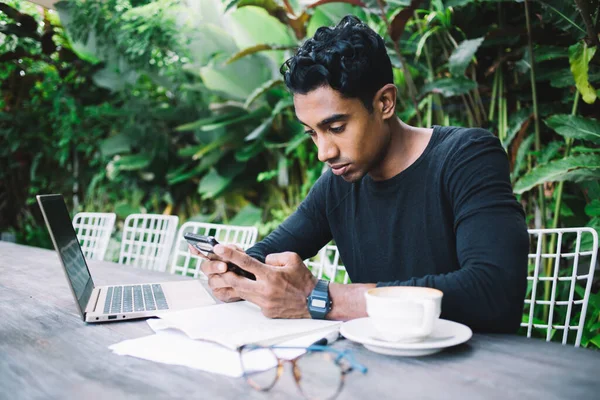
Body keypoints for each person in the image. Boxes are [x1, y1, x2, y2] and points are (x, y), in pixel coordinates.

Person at [189, 15, 529, 333]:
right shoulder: (337, 185)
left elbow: (494, 290)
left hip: (477, 369)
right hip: (377, 367)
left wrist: (320, 298)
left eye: (335, 127)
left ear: (384, 103)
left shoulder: (467, 157)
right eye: (312, 133)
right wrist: (235, 272)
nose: (324, 152)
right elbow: (266, 253)